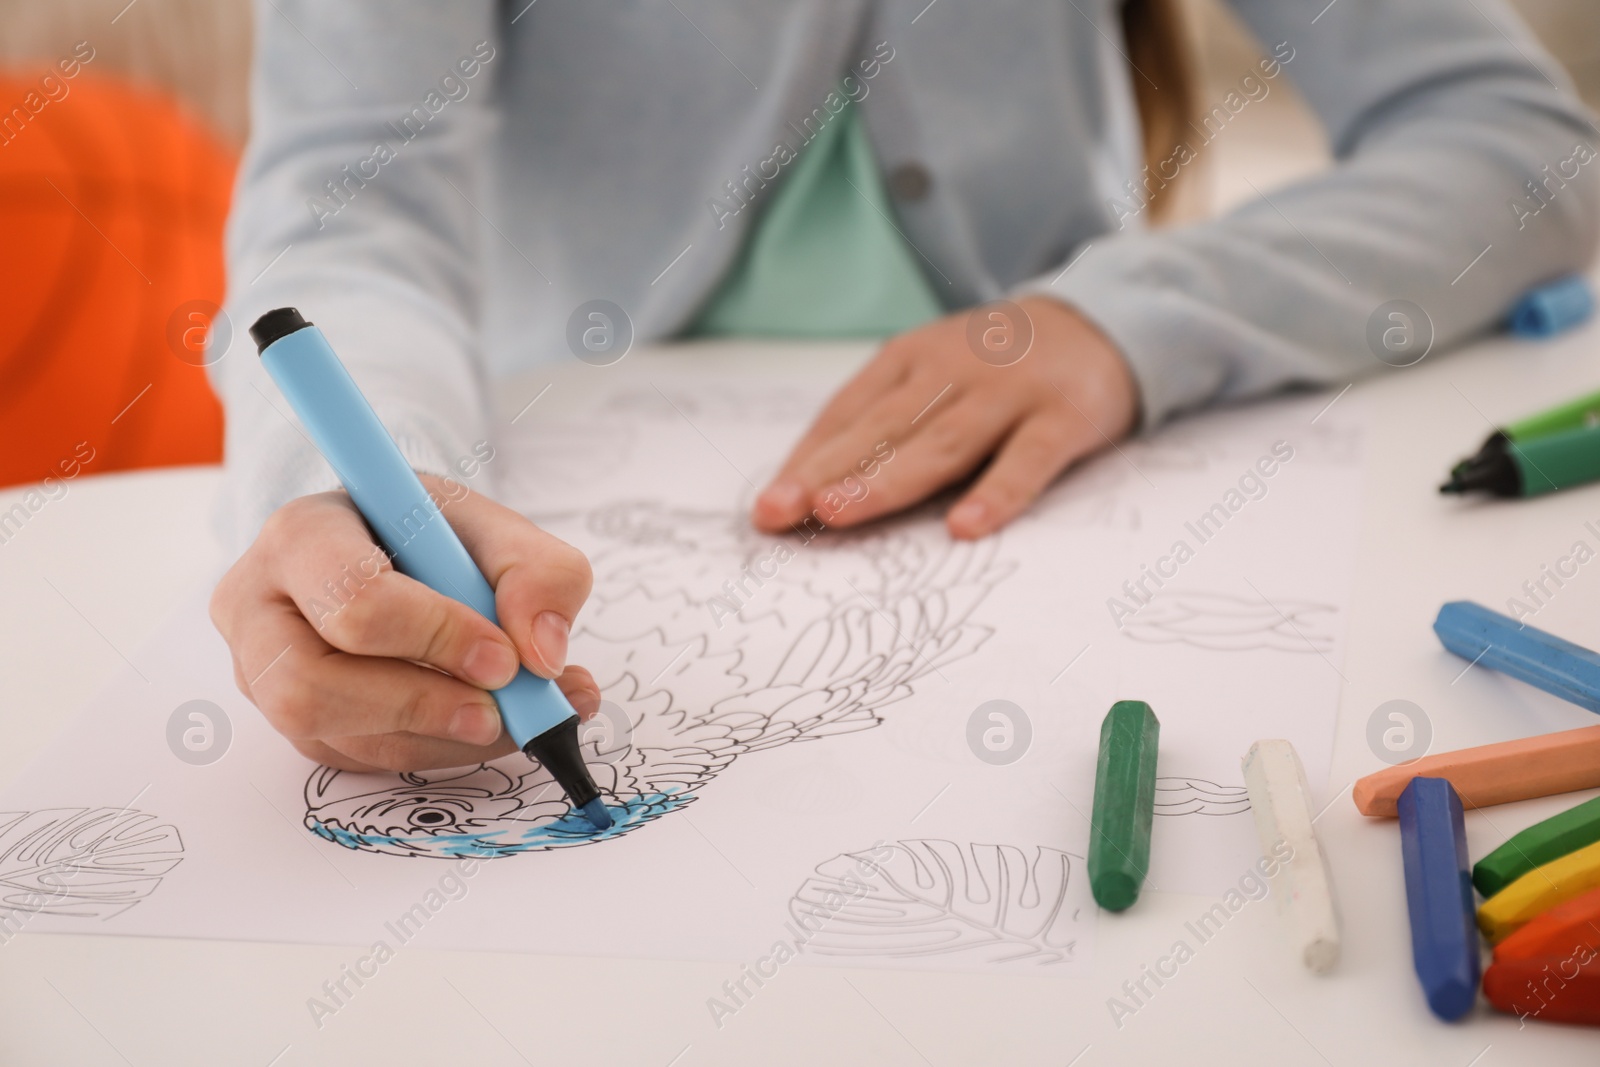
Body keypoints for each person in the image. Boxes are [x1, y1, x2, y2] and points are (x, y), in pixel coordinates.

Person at [209, 0, 1598, 773]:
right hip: (512, 468)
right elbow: (342, 215)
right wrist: (356, 488)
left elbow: (1527, 145)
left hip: (1104, 491)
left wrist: (1125, 323)